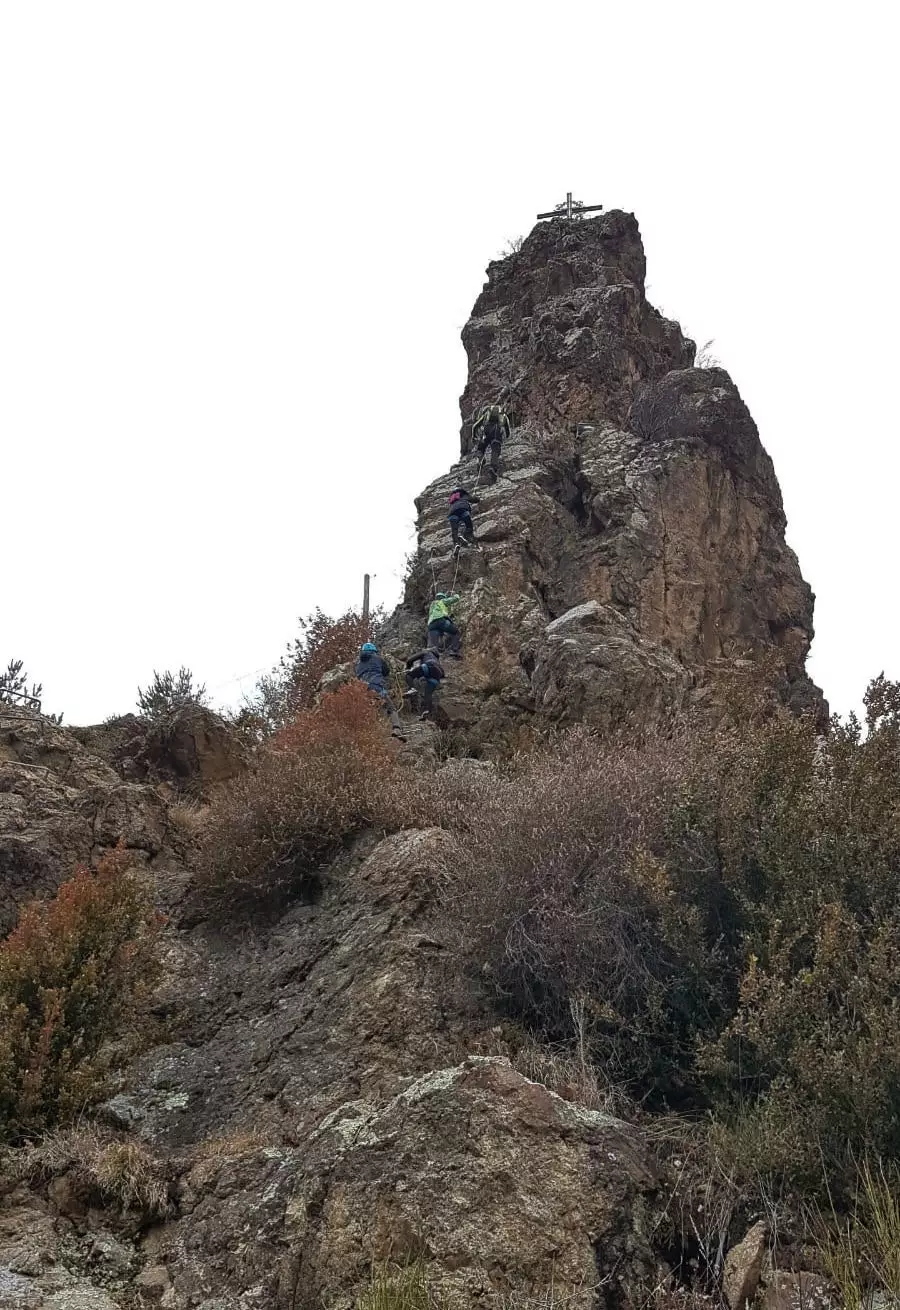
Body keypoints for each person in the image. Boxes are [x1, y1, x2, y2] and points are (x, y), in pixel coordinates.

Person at [354, 642, 406, 739]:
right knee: (391, 708)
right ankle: (396, 729)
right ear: (374, 651)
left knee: (371, 711)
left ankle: (372, 734)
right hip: (376, 687)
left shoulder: (358, 664)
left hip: (363, 690)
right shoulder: (378, 658)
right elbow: (386, 671)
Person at [472, 401, 511, 481]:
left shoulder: (486, 415)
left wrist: (474, 436)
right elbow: (507, 431)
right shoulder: (503, 416)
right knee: (495, 450)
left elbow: (475, 426)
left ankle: (481, 459)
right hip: (497, 432)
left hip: (486, 431)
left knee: (481, 446)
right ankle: (493, 468)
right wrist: (506, 437)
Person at [404, 647, 446, 718]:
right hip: (437, 674)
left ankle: (412, 689)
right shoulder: (437, 660)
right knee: (428, 694)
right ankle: (426, 712)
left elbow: (410, 660)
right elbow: (442, 674)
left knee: (409, 676)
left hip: (428, 666)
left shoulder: (426, 653)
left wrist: (408, 668)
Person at [426, 592, 461, 656]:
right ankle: (454, 650)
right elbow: (455, 599)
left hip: (431, 625)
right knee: (455, 632)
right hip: (440, 621)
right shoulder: (442, 601)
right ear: (443, 598)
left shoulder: (432, 605)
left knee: (433, 646)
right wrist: (456, 595)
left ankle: (432, 657)